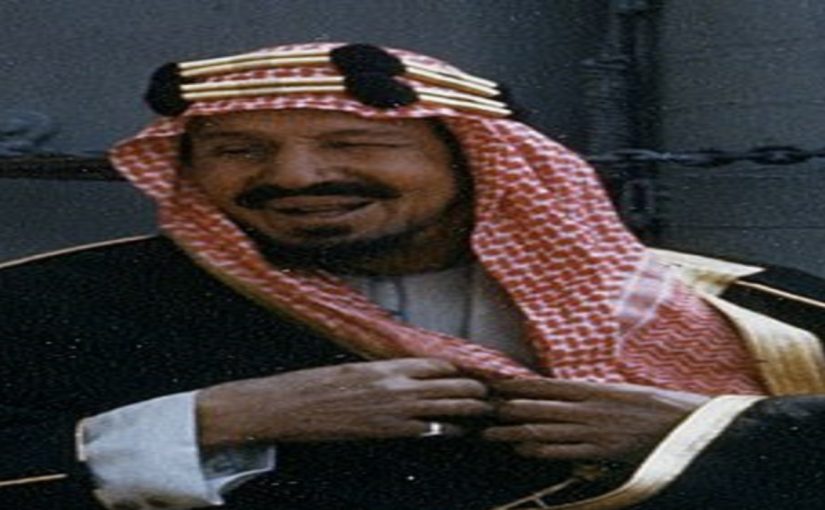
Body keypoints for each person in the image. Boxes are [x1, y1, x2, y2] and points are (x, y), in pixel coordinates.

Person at [1, 42, 825, 510]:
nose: (294, 176)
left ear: (479, 164)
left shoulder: (751, 308)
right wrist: (213, 419)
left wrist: (704, 431)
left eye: (356, 144)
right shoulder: (45, 305)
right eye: (237, 150)